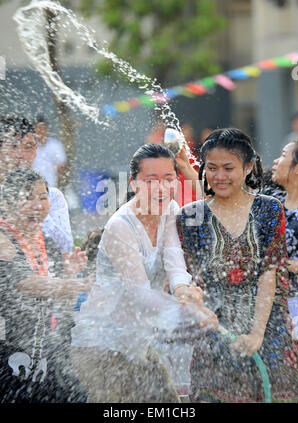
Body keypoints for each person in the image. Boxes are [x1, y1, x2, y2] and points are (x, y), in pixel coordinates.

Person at [71, 143, 218, 403]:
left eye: (168, 178)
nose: (161, 188)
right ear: (134, 183)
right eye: (151, 180)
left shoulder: (171, 210)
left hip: (138, 341)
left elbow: (176, 266)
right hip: (100, 343)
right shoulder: (120, 226)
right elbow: (140, 294)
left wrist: (186, 292)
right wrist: (189, 312)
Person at [176, 128, 298, 403]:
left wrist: (256, 333)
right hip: (216, 329)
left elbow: (271, 272)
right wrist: (195, 307)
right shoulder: (190, 217)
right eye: (212, 168)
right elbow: (188, 278)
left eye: (228, 168)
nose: (219, 176)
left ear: (247, 168)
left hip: (268, 328)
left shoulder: (269, 209)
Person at [0, 168, 93, 402]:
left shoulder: (48, 245)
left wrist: (69, 277)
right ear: (8, 203)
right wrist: (75, 284)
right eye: (28, 197)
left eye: (43, 197)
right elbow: (26, 284)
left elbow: (61, 308)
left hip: (47, 350)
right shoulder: (3, 239)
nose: (38, 205)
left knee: (76, 397)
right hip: (7, 352)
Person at [0, 116, 73, 253]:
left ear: (35, 152)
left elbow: (65, 249)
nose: (21, 155)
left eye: (28, 147)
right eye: (14, 146)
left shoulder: (53, 197)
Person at [271, 141, 298, 340]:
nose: (275, 161)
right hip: (270, 304)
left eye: (282, 155)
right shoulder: (271, 201)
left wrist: (287, 264)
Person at [33, 115, 67, 188]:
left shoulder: (55, 146)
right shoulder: (30, 146)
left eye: (43, 128)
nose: (40, 131)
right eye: (38, 128)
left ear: (47, 129)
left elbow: (62, 165)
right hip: (32, 186)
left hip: (50, 185)